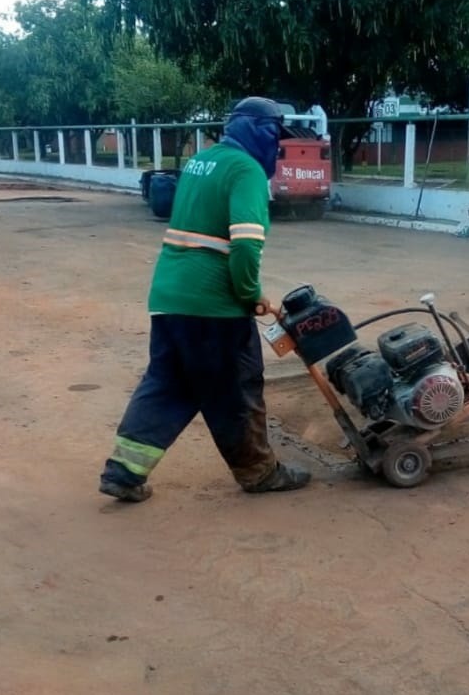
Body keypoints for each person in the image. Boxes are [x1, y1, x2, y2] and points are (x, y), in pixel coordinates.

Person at [98, 96, 311, 503]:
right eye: (276, 137)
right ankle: (259, 473)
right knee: (237, 389)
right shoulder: (246, 170)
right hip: (213, 308)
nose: (278, 148)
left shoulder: (201, 161)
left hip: (169, 297)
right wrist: (250, 295)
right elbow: (245, 245)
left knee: (167, 384)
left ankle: (123, 472)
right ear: (260, 132)